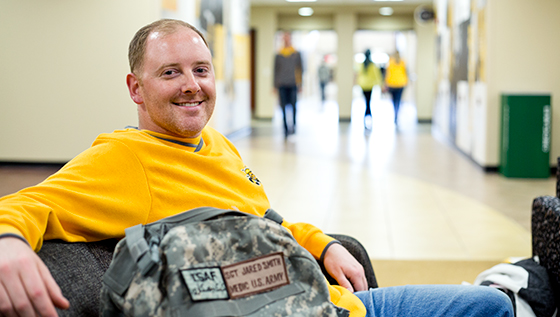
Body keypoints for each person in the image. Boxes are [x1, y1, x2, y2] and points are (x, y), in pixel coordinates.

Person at [0, 19, 513, 317]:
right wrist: (8, 243)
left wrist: (323, 242)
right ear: (135, 88)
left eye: (201, 70)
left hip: (325, 298)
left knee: (493, 307)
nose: (191, 85)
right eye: (170, 73)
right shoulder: (123, 158)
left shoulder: (216, 144)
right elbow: (27, 204)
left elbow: (264, 214)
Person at [273, 31, 302, 138]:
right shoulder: (279, 54)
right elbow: (275, 70)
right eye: (284, 38)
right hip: (282, 84)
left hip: (293, 83)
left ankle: (293, 127)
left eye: (287, 37)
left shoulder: (296, 54)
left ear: (290, 39)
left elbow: (300, 69)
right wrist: (275, 85)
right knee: (283, 107)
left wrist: (300, 84)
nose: (286, 39)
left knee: (294, 106)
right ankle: (285, 128)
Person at [356, 49, 383, 130]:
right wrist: (380, 84)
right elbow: (377, 75)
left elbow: (359, 75)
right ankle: (368, 115)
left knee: (366, 102)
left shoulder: (362, 64)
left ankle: (367, 116)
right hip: (369, 86)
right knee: (368, 102)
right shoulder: (372, 65)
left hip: (363, 85)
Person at [384, 51, 408, 125]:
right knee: (398, 99)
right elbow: (406, 72)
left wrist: (385, 83)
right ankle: (396, 113)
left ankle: (395, 113)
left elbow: (387, 73)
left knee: (394, 100)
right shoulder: (402, 62)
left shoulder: (390, 62)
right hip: (401, 83)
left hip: (392, 84)